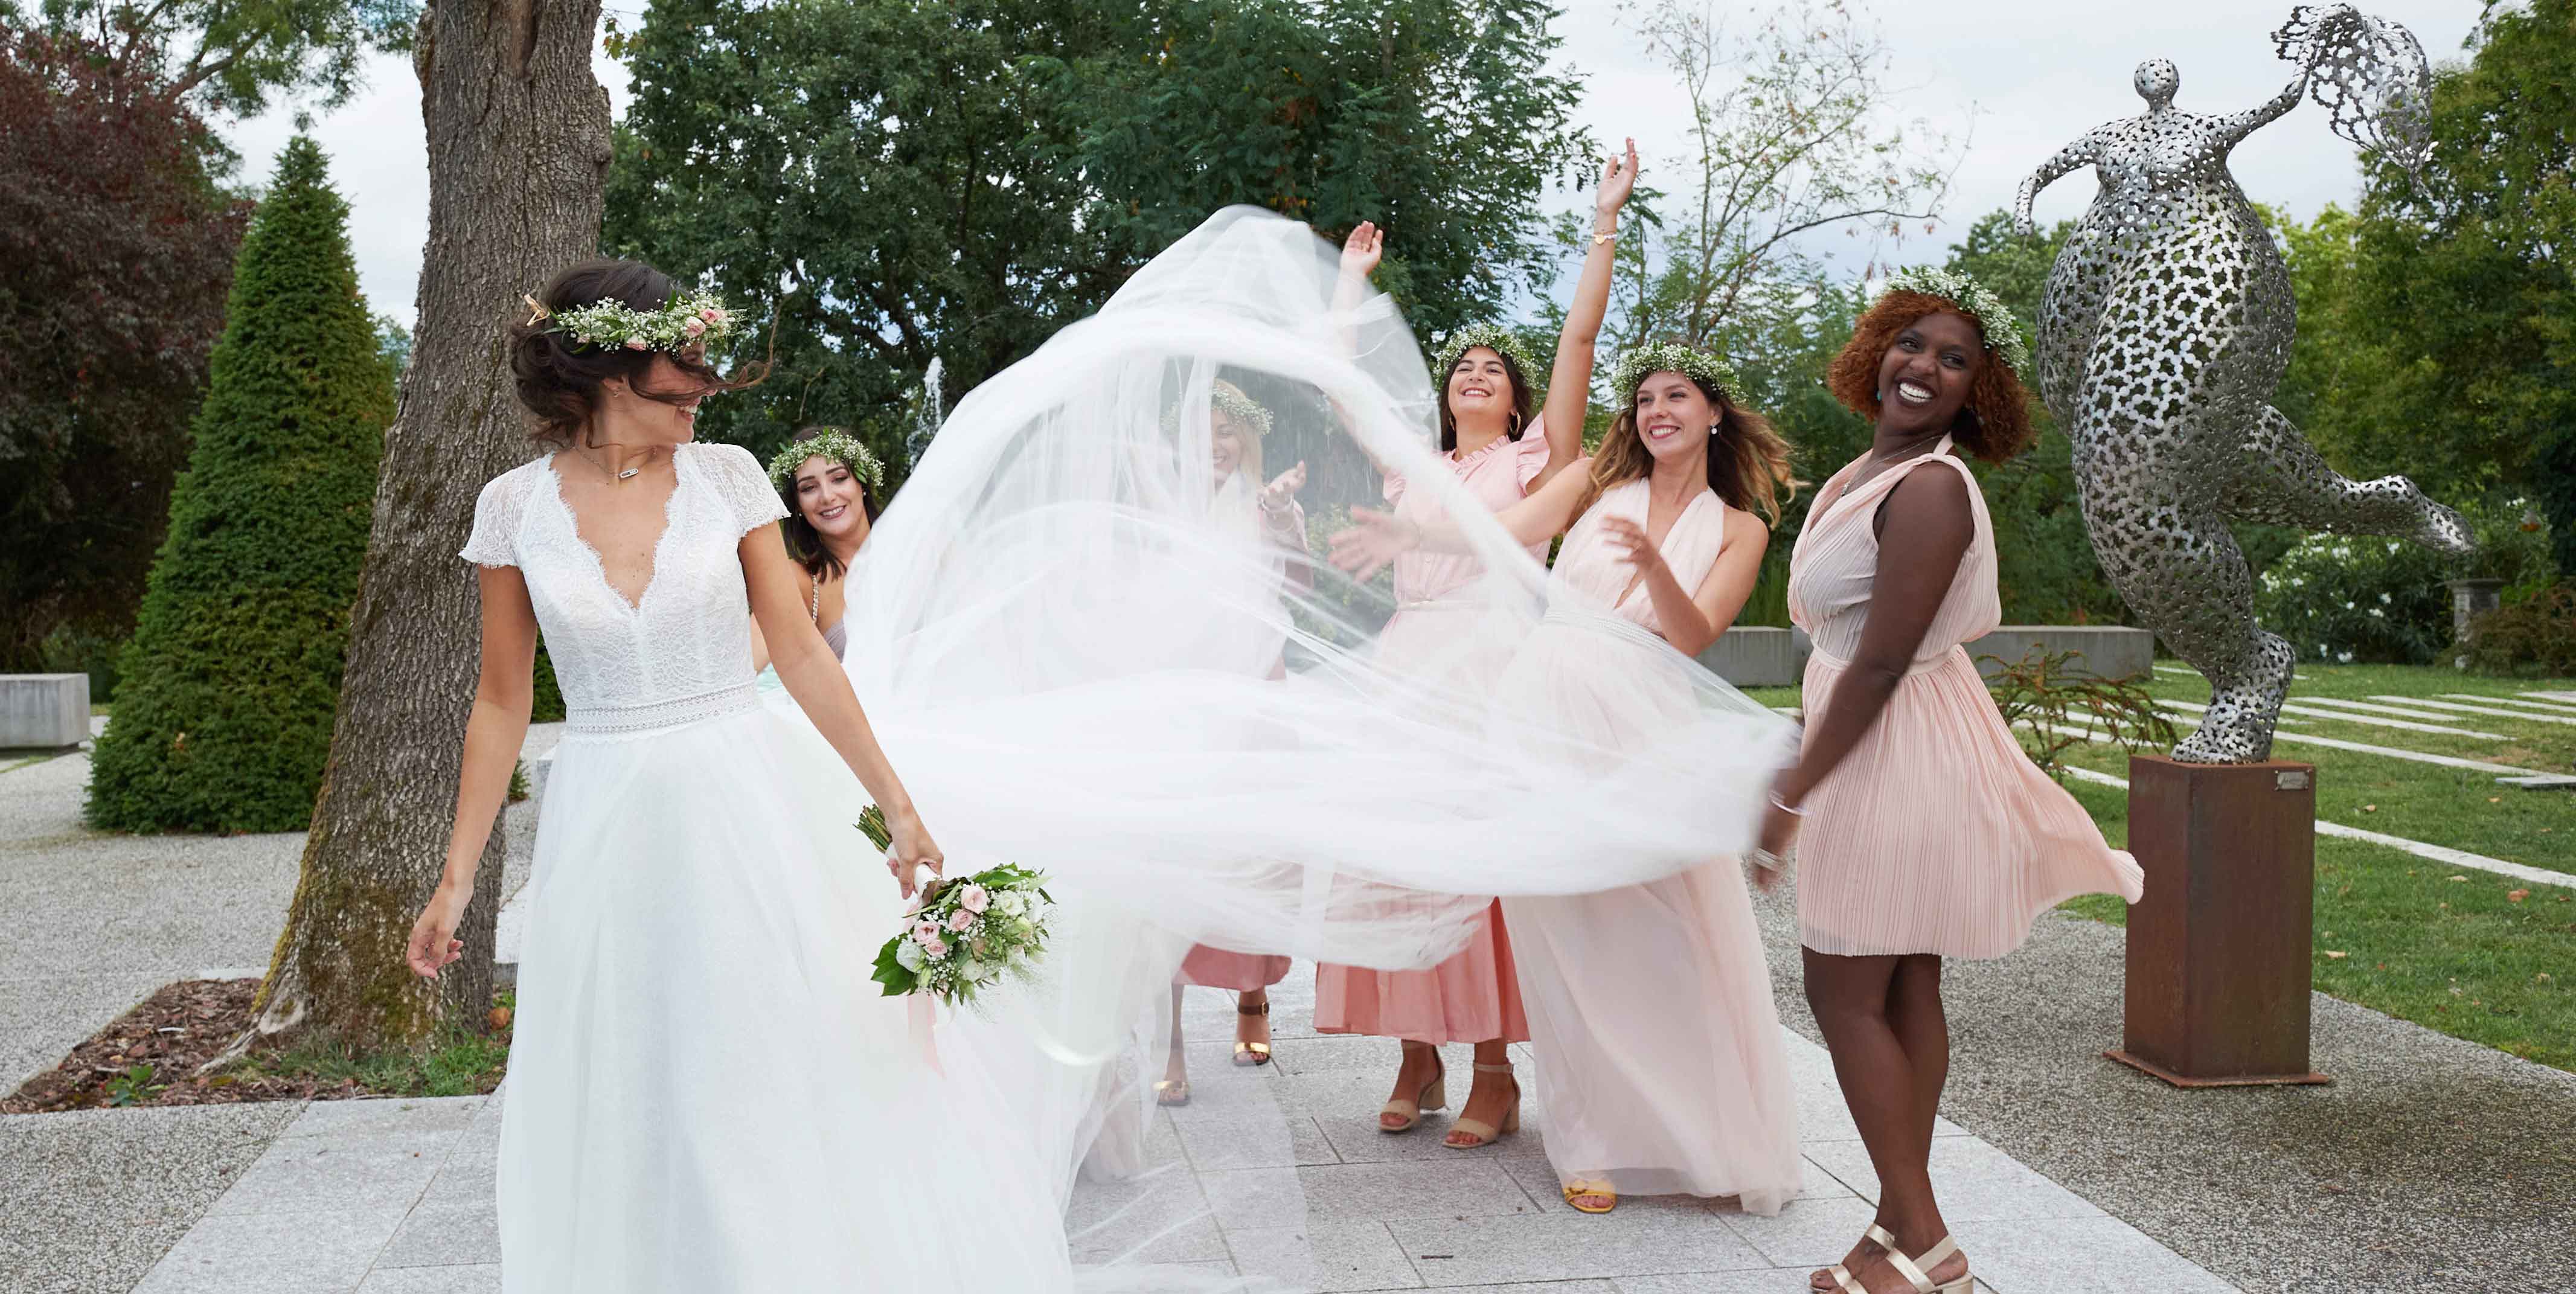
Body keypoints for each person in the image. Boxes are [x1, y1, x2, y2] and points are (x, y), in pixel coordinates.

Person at [405, 260, 1086, 1290]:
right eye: (676, 388)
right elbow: (502, 699)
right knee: (635, 1076)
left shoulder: (726, 478)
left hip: (741, 797)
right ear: (602, 378)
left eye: (701, 386)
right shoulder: (513, 510)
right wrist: (460, 875)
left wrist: (896, 804)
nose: (699, 403)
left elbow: (802, 651)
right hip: (602, 817)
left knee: (761, 1061)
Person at [1327, 152, 1804, 1216]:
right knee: (1562, 934)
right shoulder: (1598, 475)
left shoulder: (1740, 523)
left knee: (1666, 935)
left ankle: (1699, 1133)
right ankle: (1581, 1135)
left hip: (1643, 715)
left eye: (1674, 395)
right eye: (1644, 398)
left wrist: (1653, 575)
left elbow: (1694, 636)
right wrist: (1406, 529)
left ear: (1715, 414)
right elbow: (1501, 533)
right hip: (1542, 707)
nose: (1653, 408)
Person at [1760, 267, 2144, 1294]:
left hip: (1895, 742)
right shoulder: (1863, 473)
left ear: (1980, 391)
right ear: (1877, 349)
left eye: (1954, 358)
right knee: (1900, 977)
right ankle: (1896, 1236)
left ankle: (1925, 1240)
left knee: (1841, 988)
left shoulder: (1929, 486)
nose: (1924, 366)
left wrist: (1791, 791)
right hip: (1889, 731)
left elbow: (1881, 663)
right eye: (1911, 344)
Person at [1310, 155, 1616, 1148]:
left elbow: (1578, 340)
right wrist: (1351, 288)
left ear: (1517, 399)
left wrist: (1603, 222)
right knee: (1401, 860)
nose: (1474, 373)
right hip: (1410, 666)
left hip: (1492, 667)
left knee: (1485, 868)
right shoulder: (1420, 469)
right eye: (1460, 367)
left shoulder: (1535, 460)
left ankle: (1495, 1068)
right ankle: (1417, 1049)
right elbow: (1343, 389)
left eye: (1493, 368)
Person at [749, 426, 883, 688]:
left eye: (839, 478)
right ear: (798, 506)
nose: (827, 496)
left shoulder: (917, 546)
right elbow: (743, 663)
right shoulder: (801, 579)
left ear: (862, 484)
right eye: (809, 488)